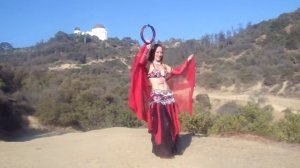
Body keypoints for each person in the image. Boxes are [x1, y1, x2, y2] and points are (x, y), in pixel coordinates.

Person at [128, 42, 195, 158]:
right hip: (157, 97)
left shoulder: (164, 66)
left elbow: (178, 71)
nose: (160, 54)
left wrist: (187, 62)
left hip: (168, 97)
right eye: (157, 52)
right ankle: (162, 150)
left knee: (169, 124)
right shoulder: (149, 65)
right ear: (153, 53)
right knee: (161, 124)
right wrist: (146, 48)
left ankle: (170, 147)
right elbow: (139, 62)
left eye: (161, 52)